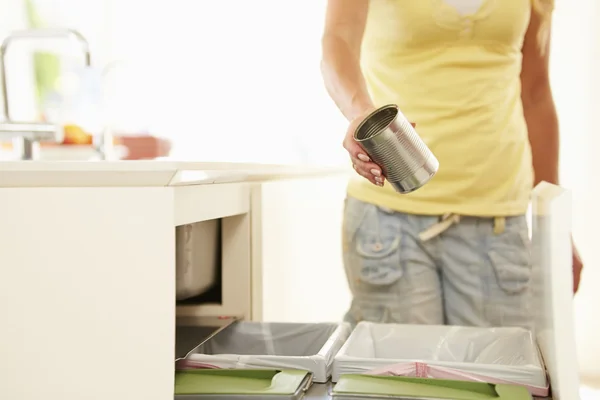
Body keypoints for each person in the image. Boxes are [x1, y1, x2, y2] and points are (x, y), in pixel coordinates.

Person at [321, 0, 583, 328]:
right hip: (388, 222)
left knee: (493, 374)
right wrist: (361, 115)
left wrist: (555, 228)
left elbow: (535, 95)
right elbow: (338, 40)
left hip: (498, 222)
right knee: (401, 376)